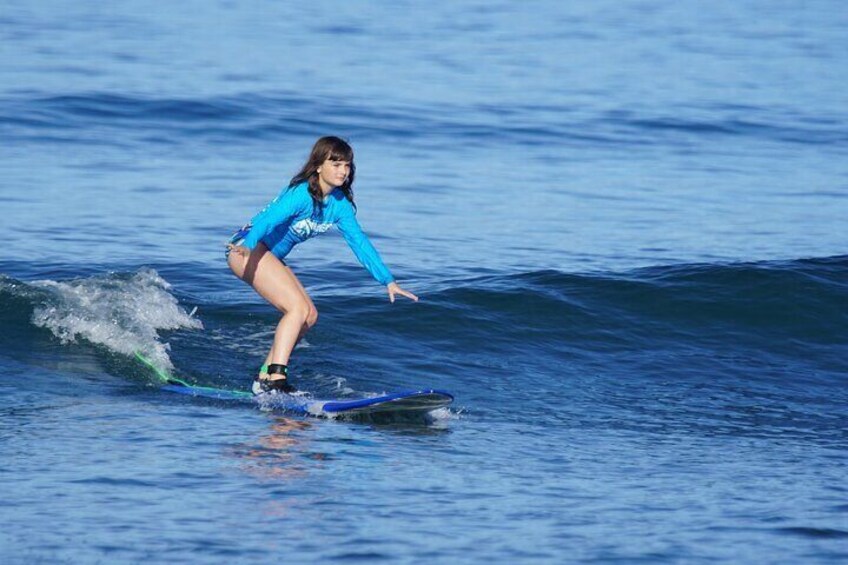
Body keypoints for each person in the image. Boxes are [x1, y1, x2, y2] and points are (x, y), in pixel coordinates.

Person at [225, 136, 418, 395]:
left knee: (309, 315)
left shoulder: (339, 205)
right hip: (246, 249)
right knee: (295, 309)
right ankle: (276, 379)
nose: (342, 171)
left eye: (347, 166)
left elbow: (359, 243)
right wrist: (249, 244)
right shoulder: (302, 194)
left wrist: (388, 280)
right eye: (336, 164)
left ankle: (264, 376)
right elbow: (269, 220)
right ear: (318, 165)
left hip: (268, 254)